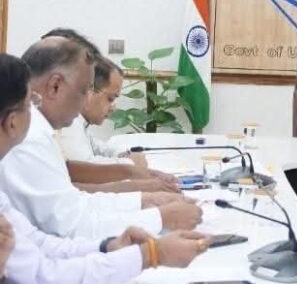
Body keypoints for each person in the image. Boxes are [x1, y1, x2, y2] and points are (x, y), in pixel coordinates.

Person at [0, 52, 210, 282]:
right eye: (31, 103)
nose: (35, 111)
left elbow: (38, 243)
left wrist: (107, 246)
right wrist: (151, 254)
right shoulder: (33, 141)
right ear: (12, 123)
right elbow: (45, 273)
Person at [56, 55, 179, 193]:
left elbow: (98, 147)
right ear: (89, 91)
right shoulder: (67, 123)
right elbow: (86, 170)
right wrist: (130, 163)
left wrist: (123, 155)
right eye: (110, 98)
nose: (113, 107)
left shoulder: (79, 122)